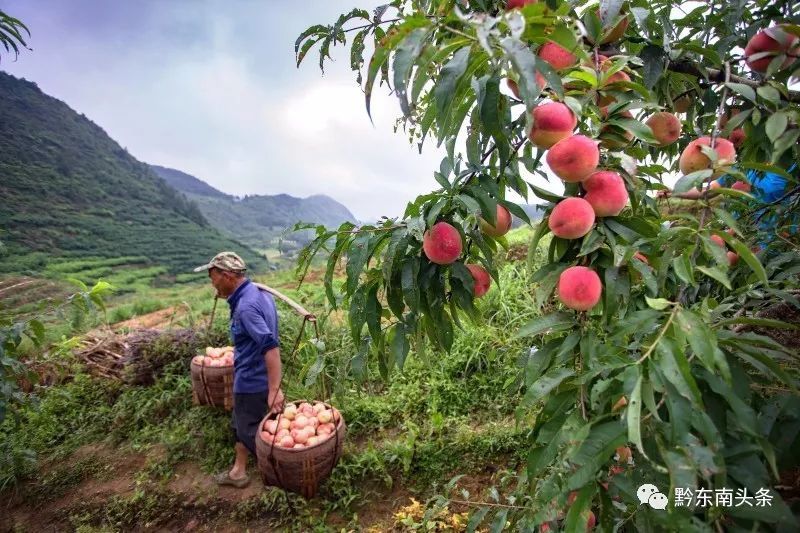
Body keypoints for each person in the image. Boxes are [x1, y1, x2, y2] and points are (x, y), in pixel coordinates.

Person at [193, 251, 284, 488]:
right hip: (252, 376)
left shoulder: (246, 307)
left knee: (249, 432)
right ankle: (238, 471)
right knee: (239, 425)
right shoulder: (258, 294)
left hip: (252, 382)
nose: (212, 284)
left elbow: (270, 348)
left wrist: (274, 389)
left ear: (227, 276)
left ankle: (281, 477)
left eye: (213, 277)